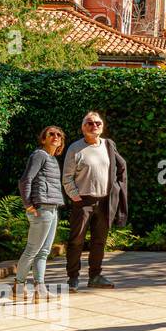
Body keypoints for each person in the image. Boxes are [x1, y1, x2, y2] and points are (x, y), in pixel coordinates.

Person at [62, 111, 128, 291]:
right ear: (83, 128)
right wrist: (76, 197)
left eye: (98, 123)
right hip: (82, 201)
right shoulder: (75, 148)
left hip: (105, 201)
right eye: (89, 123)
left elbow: (121, 167)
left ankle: (95, 276)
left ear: (102, 126)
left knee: (99, 241)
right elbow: (67, 177)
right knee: (76, 241)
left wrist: (115, 189)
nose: (94, 126)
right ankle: (73, 277)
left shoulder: (108, 145)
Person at [16, 126, 66, 298]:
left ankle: (40, 289)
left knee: (44, 251)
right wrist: (28, 205)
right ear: (43, 139)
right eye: (51, 134)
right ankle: (18, 286)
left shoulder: (52, 159)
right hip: (41, 208)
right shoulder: (39, 155)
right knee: (32, 249)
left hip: (53, 208)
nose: (55, 137)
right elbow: (25, 180)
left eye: (59, 135)